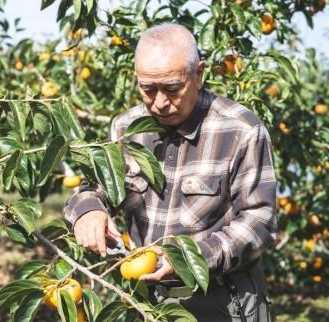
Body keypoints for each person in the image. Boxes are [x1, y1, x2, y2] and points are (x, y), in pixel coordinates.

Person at [63, 23, 276, 321]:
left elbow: (260, 221)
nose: (160, 102)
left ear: (199, 74)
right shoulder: (126, 128)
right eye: (147, 89)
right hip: (145, 302)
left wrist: (190, 260)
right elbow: (96, 187)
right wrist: (88, 210)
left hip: (220, 302)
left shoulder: (241, 129)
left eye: (173, 88)